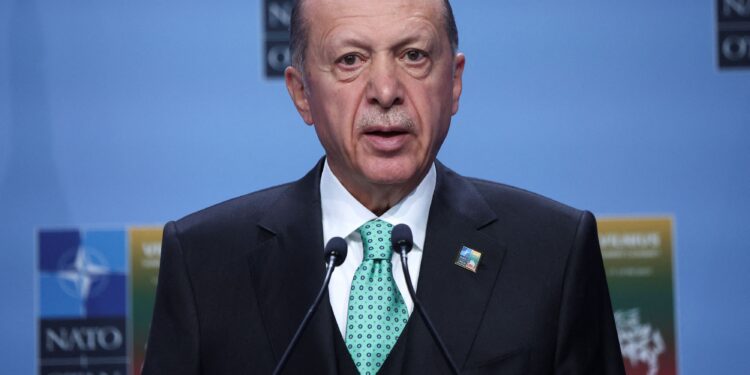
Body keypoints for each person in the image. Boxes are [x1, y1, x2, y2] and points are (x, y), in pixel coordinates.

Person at [142, 0, 625, 373]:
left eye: (413, 55)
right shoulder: (205, 262)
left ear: (454, 83)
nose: (386, 90)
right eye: (350, 60)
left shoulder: (552, 252)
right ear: (301, 93)